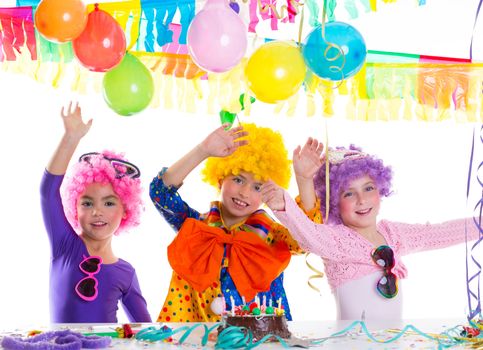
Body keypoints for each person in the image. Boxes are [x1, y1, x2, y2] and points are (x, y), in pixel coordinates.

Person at [262, 143, 480, 320]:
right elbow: (310, 235)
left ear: (380, 190)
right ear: (334, 202)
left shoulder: (392, 233)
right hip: (352, 344)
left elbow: (437, 234)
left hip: (393, 341)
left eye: (369, 188)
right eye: (349, 193)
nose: (362, 200)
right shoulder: (337, 239)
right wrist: (286, 201)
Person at [149, 123, 303, 322]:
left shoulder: (273, 235)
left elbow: (307, 240)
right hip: (198, 341)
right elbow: (160, 193)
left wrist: (304, 181)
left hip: (259, 342)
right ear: (221, 179)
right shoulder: (195, 226)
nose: (244, 192)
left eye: (257, 187)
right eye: (238, 180)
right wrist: (202, 151)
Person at [40, 102, 151, 323]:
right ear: (75, 207)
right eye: (87, 203)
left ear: (125, 210)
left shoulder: (126, 273)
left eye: (109, 204)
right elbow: (47, 192)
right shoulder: (65, 246)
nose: (97, 212)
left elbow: (146, 329)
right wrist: (70, 138)